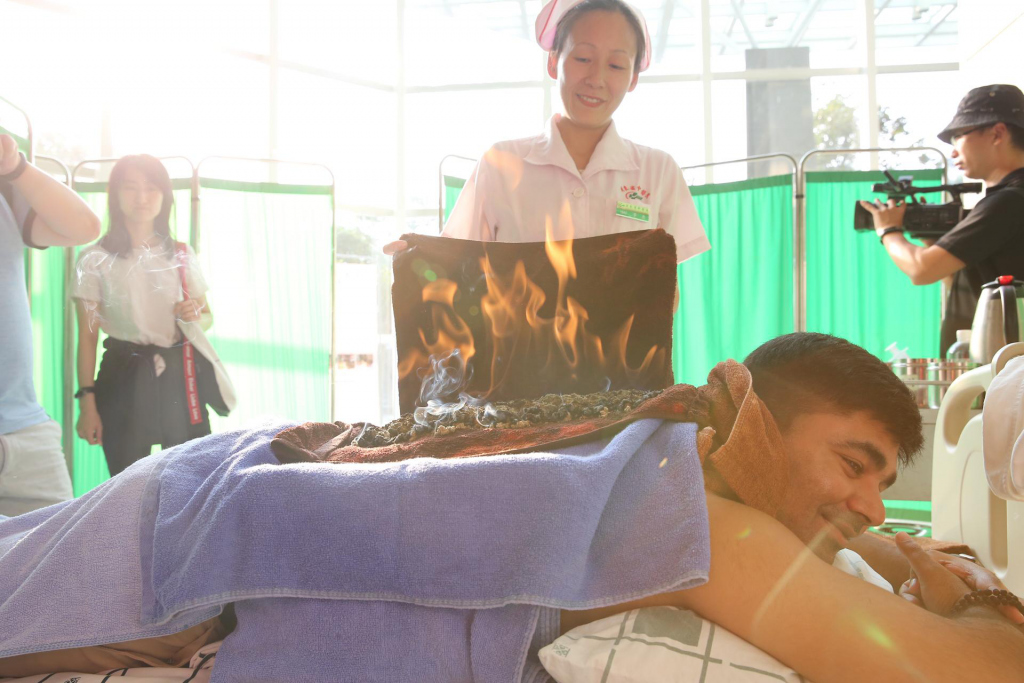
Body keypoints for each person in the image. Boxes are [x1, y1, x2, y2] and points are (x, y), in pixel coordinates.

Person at [560, 332, 1024, 681]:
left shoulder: (676, 464)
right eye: (852, 464)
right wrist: (979, 605)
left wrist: (943, 566)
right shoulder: (697, 523)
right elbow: (998, 671)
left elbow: (845, 544)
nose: (876, 512)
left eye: (880, 487)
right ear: (758, 427)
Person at [386, 0, 710, 269]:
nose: (596, 78)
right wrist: (414, 257)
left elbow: (666, 289)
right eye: (583, 58)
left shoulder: (658, 171)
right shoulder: (500, 163)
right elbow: (456, 262)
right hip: (517, 333)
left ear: (634, 78)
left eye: (616, 65)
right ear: (553, 62)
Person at [73, 154, 229, 477]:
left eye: (151, 188)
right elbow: (87, 338)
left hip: (179, 376)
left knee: (189, 479)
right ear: (115, 194)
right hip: (121, 376)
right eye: (130, 187)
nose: (141, 198)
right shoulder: (93, 259)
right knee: (127, 484)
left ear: (165, 196)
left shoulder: (182, 254)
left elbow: (206, 317)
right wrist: (87, 403)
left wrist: (193, 316)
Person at [860, 84, 1024, 356]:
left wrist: (888, 229)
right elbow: (963, 285)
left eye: (958, 136)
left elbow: (921, 270)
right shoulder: (1009, 199)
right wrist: (933, 241)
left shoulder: (1008, 202)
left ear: (997, 133)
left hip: (1001, 367)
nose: (953, 152)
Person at [0, 133, 101, 516]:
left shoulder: (7, 191)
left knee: (69, 550)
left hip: (26, 431)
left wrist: (15, 168)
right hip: (26, 432)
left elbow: (84, 227)